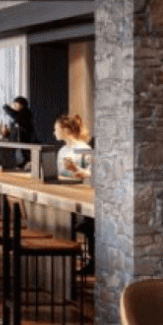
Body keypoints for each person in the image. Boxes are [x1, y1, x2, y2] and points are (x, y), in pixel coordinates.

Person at [54, 113, 95, 272]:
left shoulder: (83, 149)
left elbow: (90, 174)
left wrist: (75, 169)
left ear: (65, 130)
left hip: (82, 197)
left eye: (56, 129)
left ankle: (88, 260)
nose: (54, 132)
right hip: (66, 194)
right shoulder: (63, 149)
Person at [2, 96, 37, 168]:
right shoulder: (17, 118)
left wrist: (6, 108)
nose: (13, 106)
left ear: (21, 105)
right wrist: (7, 133)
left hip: (26, 146)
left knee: (26, 164)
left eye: (15, 105)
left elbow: (16, 116)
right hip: (17, 148)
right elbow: (15, 132)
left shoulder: (26, 115)